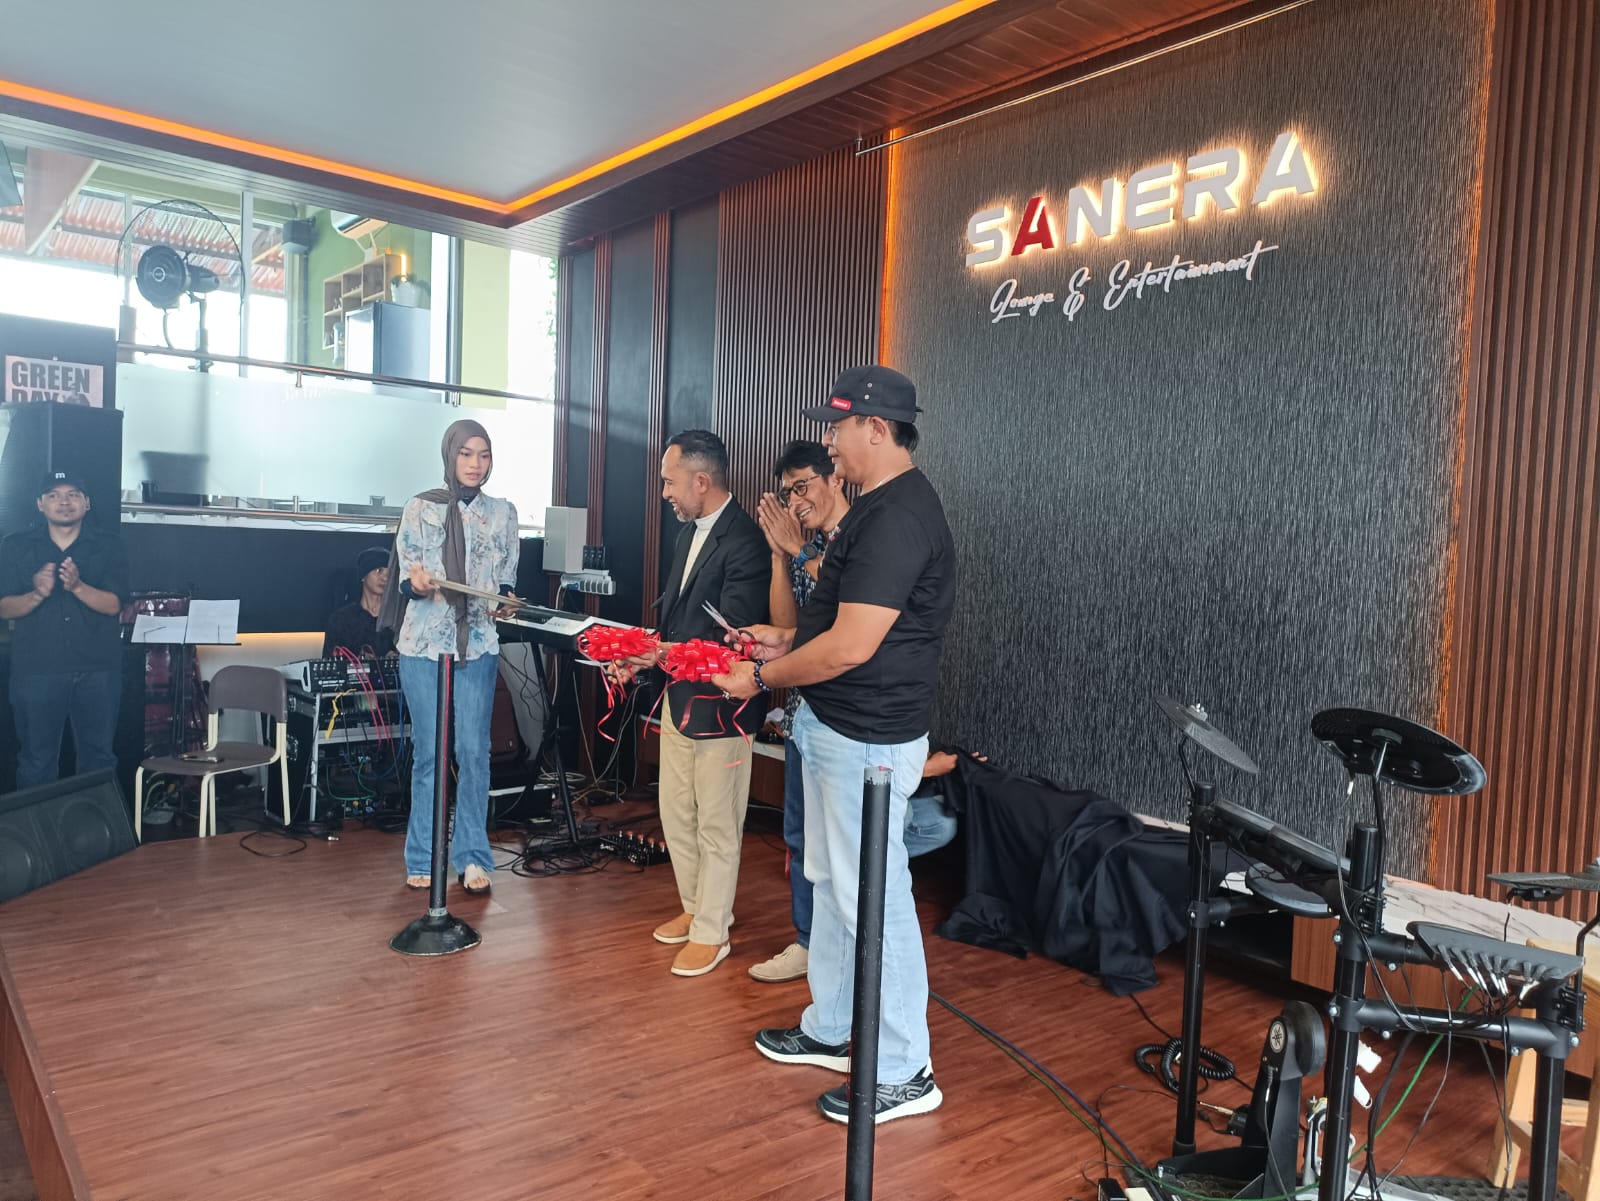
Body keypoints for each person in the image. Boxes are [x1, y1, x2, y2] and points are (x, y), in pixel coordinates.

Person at [714, 365, 956, 1124]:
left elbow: (853, 647)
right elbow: (844, 625)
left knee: (873, 898)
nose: (828, 441)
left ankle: (905, 1067)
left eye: (838, 426)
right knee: (829, 884)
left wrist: (762, 677)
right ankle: (831, 1027)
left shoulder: (899, 516)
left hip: (869, 740)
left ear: (876, 429)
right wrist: (785, 641)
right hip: (834, 727)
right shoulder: (873, 509)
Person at [622, 430, 768, 977]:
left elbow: (731, 637)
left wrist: (657, 653)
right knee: (675, 812)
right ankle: (696, 906)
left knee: (718, 822)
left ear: (701, 481)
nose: (665, 492)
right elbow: (678, 621)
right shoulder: (688, 533)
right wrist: (644, 654)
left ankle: (713, 932)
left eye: (669, 481)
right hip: (677, 694)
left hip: (723, 706)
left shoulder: (746, 542)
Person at [379, 420, 518, 895]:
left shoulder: (503, 513)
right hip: (424, 645)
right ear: (450, 455)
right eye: (466, 454)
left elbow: (506, 580)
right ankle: (422, 855)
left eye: (484, 454)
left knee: (474, 752)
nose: (476, 464)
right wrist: (416, 584)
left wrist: (506, 602)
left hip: (478, 644)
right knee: (430, 754)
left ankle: (472, 855)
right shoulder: (420, 507)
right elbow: (407, 579)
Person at [748, 440, 849, 984]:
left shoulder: (857, 538)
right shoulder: (802, 544)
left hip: (848, 721)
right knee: (800, 836)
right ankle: (808, 942)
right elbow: (790, 626)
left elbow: (846, 619)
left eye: (803, 486)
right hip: (801, 712)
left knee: (841, 850)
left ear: (836, 479)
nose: (795, 500)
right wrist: (778, 555)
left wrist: (801, 549)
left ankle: (842, 954)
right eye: (788, 492)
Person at [0, 471, 130, 790]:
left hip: (97, 669)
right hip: (37, 669)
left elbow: (114, 604)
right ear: (40, 504)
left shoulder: (109, 545)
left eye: (73, 494)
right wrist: (37, 594)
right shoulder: (15, 545)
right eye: (54, 495)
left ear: (87, 503)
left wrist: (77, 586)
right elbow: (4, 608)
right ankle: (37, 826)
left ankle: (96, 824)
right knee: (36, 761)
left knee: (98, 759)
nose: (64, 502)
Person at [322, 546, 396, 658]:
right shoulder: (341, 619)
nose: (385, 578)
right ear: (363, 576)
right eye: (379, 570)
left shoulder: (399, 618)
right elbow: (330, 660)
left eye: (389, 573)